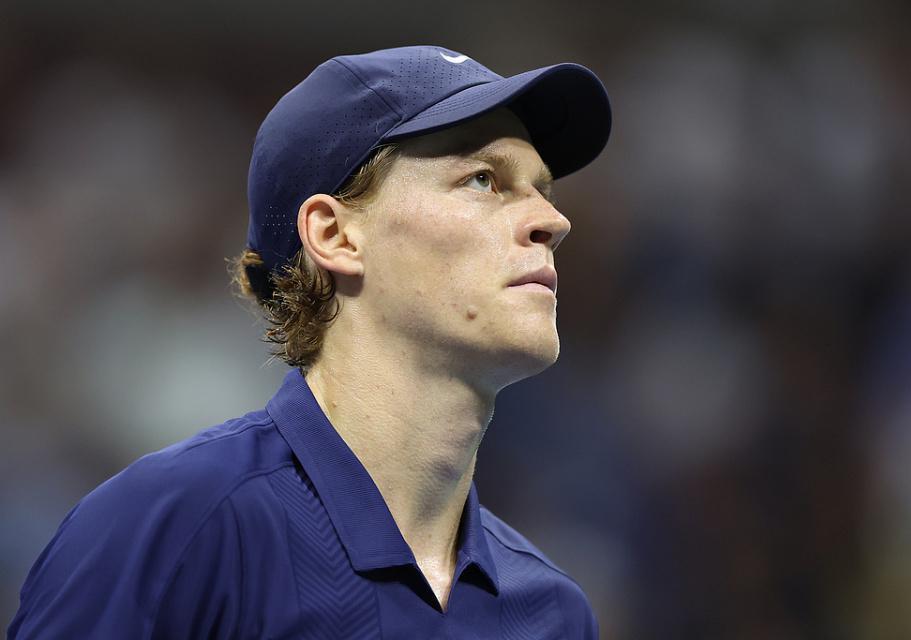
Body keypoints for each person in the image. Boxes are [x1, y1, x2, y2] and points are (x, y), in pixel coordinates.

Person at [9, 45, 611, 638]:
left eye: (543, 189)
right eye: (483, 179)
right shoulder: (172, 531)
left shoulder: (554, 613)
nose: (553, 221)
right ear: (335, 235)